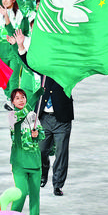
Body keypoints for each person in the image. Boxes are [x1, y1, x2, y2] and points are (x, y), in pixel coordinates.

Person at [15, 30, 74, 197]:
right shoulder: (44, 67)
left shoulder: (67, 68)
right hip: (44, 118)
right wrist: (21, 45)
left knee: (61, 153)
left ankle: (58, 184)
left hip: (62, 118)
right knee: (41, 150)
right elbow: (29, 63)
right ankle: (43, 173)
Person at [8, 88, 44, 215]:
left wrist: (37, 134)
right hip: (19, 162)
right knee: (21, 193)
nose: (21, 100)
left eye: (23, 97)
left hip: (35, 162)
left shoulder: (33, 115)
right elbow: (22, 115)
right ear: (12, 102)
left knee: (35, 195)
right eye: (17, 98)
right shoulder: (12, 116)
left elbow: (42, 134)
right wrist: (36, 95)